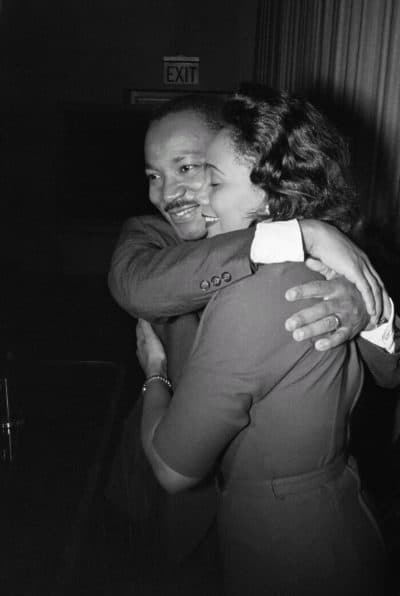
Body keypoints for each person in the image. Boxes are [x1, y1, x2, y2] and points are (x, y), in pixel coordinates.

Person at [107, 94, 398, 590]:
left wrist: (365, 311)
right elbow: (135, 286)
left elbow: (389, 370)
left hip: (275, 517)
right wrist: (295, 234)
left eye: (190, 168)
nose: (169, 192)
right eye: (153, 175)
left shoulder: (325, 260)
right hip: (181, 507)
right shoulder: (150, 236)